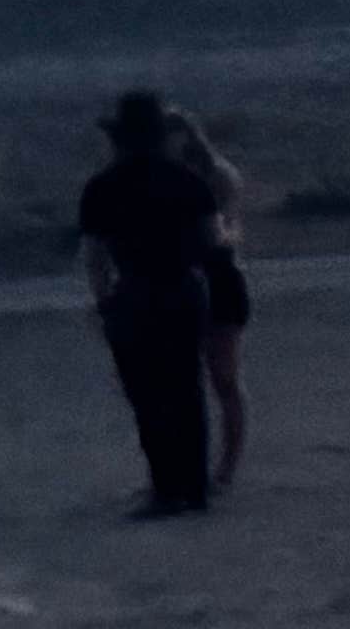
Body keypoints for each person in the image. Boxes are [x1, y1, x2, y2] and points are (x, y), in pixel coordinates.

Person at [73, 89, 226, 514]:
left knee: (146, 393)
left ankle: (165, 485)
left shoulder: (102, 188)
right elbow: (213, 241)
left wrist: (104, 303)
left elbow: (95, 258)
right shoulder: (187, 181)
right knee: (187, 388)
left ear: (119, 139)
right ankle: (194, 486)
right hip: (182, 288)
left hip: (135, 292)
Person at [174, 108, 253, 493]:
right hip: (182, 279)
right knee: (184, 382)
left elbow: (230, 231)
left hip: (218, 279)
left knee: (224, 378)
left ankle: (226, 466)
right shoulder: (161, 181)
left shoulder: (218, 176)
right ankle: (191, 466)